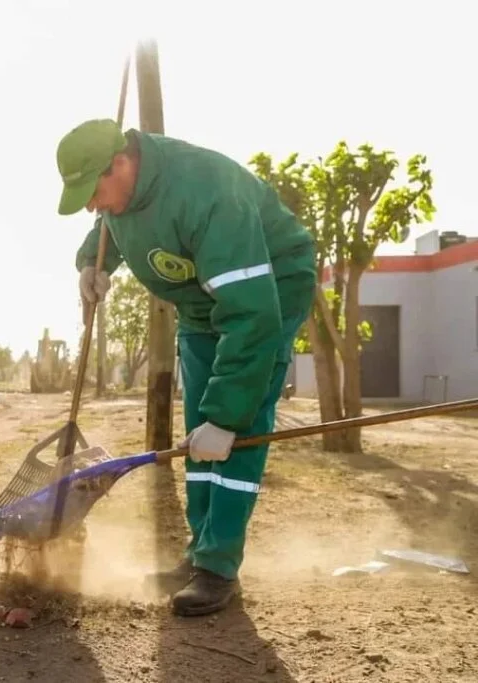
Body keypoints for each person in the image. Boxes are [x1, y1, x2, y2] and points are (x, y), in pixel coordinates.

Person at [56, 119, 317, 616]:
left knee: (233, 429)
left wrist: (228, 416)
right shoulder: (122, 193)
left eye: (93, 190)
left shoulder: (207, 195)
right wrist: (92, 263)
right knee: (198, 426)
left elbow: (252, 316)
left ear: (122, 163)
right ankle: (200, 553)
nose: (91, 203)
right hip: (201, 304)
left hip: (267, 293)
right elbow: (107, 222)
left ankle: (219, 568)